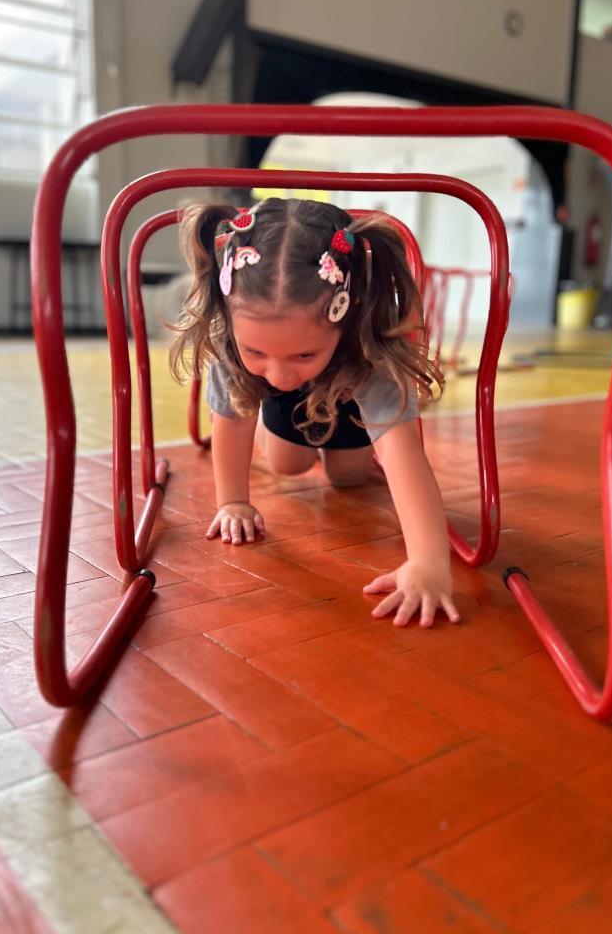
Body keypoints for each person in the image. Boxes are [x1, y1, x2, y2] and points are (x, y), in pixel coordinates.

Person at [170, 197, 460, 627]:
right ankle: (284, 429)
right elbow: (231, 422)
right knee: (289, 464)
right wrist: (232, 501)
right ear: (233, 323)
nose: (280, 372)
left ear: (346, 317)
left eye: (303, 353)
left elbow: (403, 453)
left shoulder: (367, 350)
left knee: (348, 477)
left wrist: (429, 561)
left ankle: (330, 426)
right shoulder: (232, 346)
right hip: (285, 405)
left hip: (345, 393)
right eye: (257, 351)